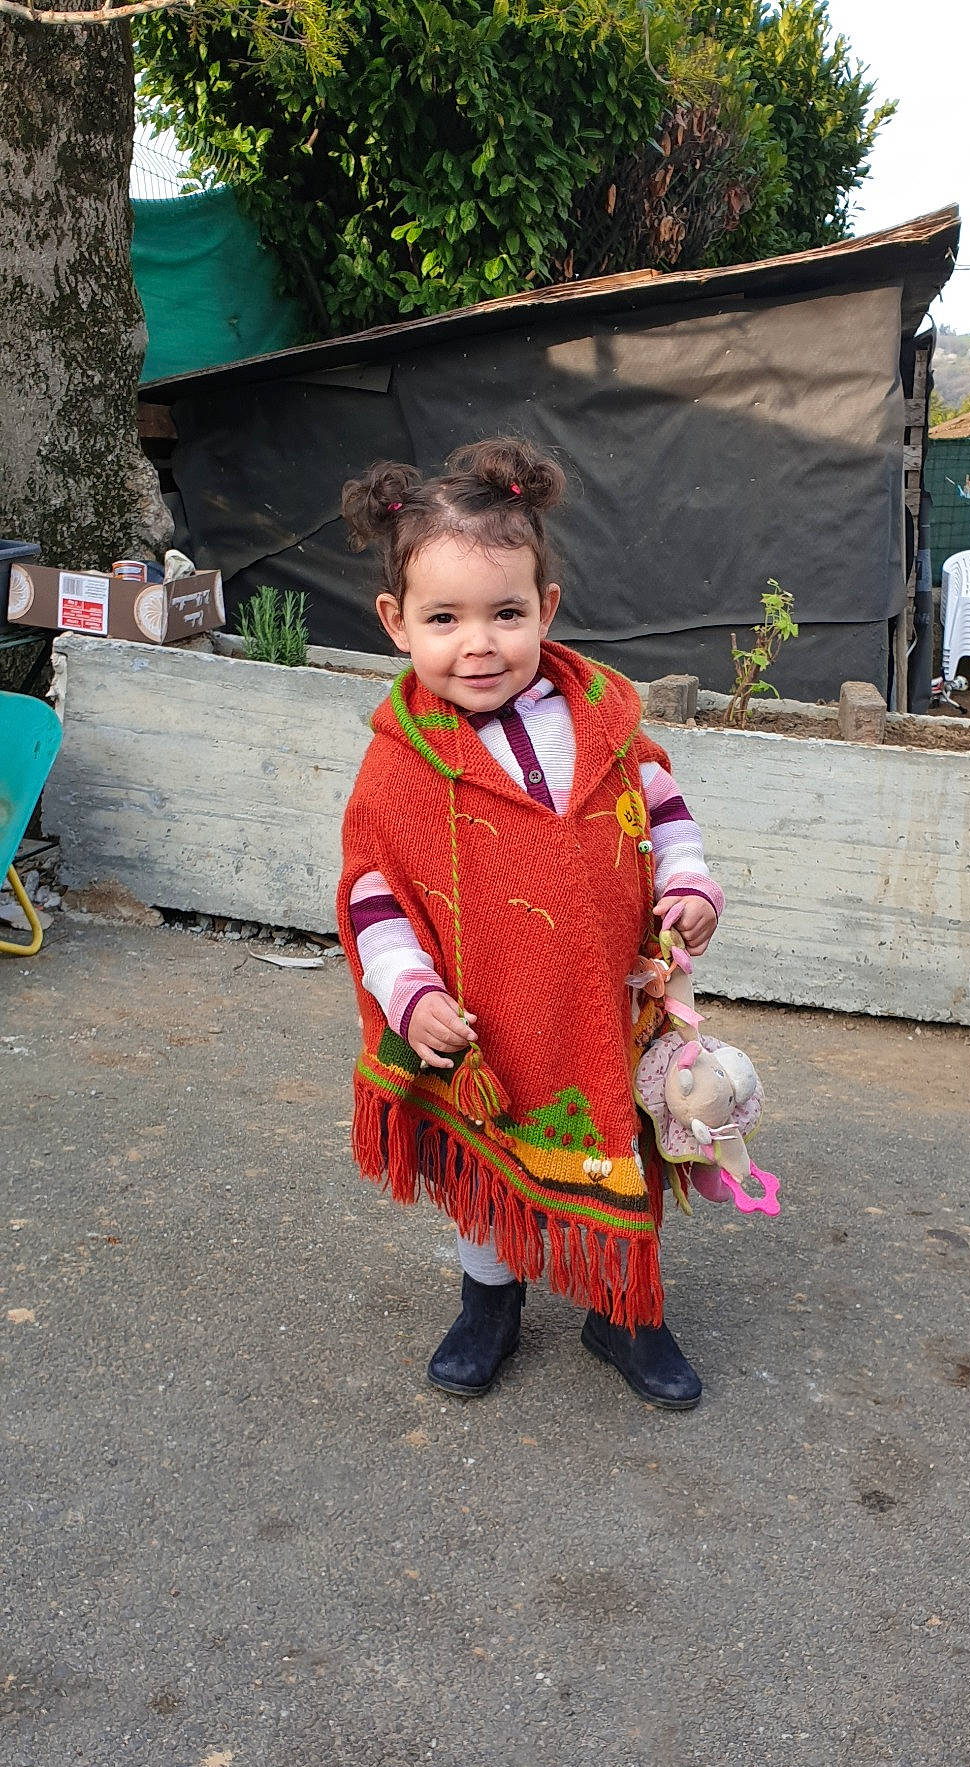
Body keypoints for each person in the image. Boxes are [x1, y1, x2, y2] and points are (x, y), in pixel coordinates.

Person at [336, 437, 724, 1411]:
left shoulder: (600, 716)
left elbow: (657, 795)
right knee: (489, 1157)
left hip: (606, 997)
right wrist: (408, 991)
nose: (478, 642)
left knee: (626, 1153)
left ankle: (623, 1308)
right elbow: (373, 892)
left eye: (504, 612)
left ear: (544, 609)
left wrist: (685, 877)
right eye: (444, 617)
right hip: (487, 1014)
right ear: (396, 622)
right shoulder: (403, 764)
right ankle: (487, 1302)